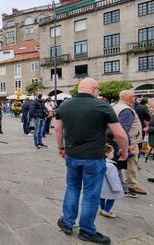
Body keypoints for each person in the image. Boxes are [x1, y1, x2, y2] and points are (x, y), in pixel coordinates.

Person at [55, 78, 129, 245]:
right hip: (94, 158)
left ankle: (67, 222)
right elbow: (120, 134)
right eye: (99, 90)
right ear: (95, 89)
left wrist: (61, 147)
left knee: (72, 188)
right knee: (91, 194)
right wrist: (124, 151)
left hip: (72, 156)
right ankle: (87, 230)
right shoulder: (102, 106)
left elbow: (58, 128)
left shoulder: (64, 105)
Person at [113, 90, 147, 195]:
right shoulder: (126, 110)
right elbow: (124, 129)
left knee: (119, 163)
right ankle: (131, 185)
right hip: (130, 141)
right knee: (132, 163)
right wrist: (126, 145)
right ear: (129, 97)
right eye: (134, 97)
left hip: (121, 140)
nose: (135, 99)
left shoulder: (116, 106)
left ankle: (122, 183)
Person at [99, 144, 124, 219]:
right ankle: (106, 210)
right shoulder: (110, 166)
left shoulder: (100, 162)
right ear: (106, 153)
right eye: (112, 153)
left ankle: (102, 208)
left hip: (101, 185)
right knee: (112, 198)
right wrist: (117, 188)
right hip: (109, 186)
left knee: (102, 197)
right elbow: (113, 178)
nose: (113, 154)